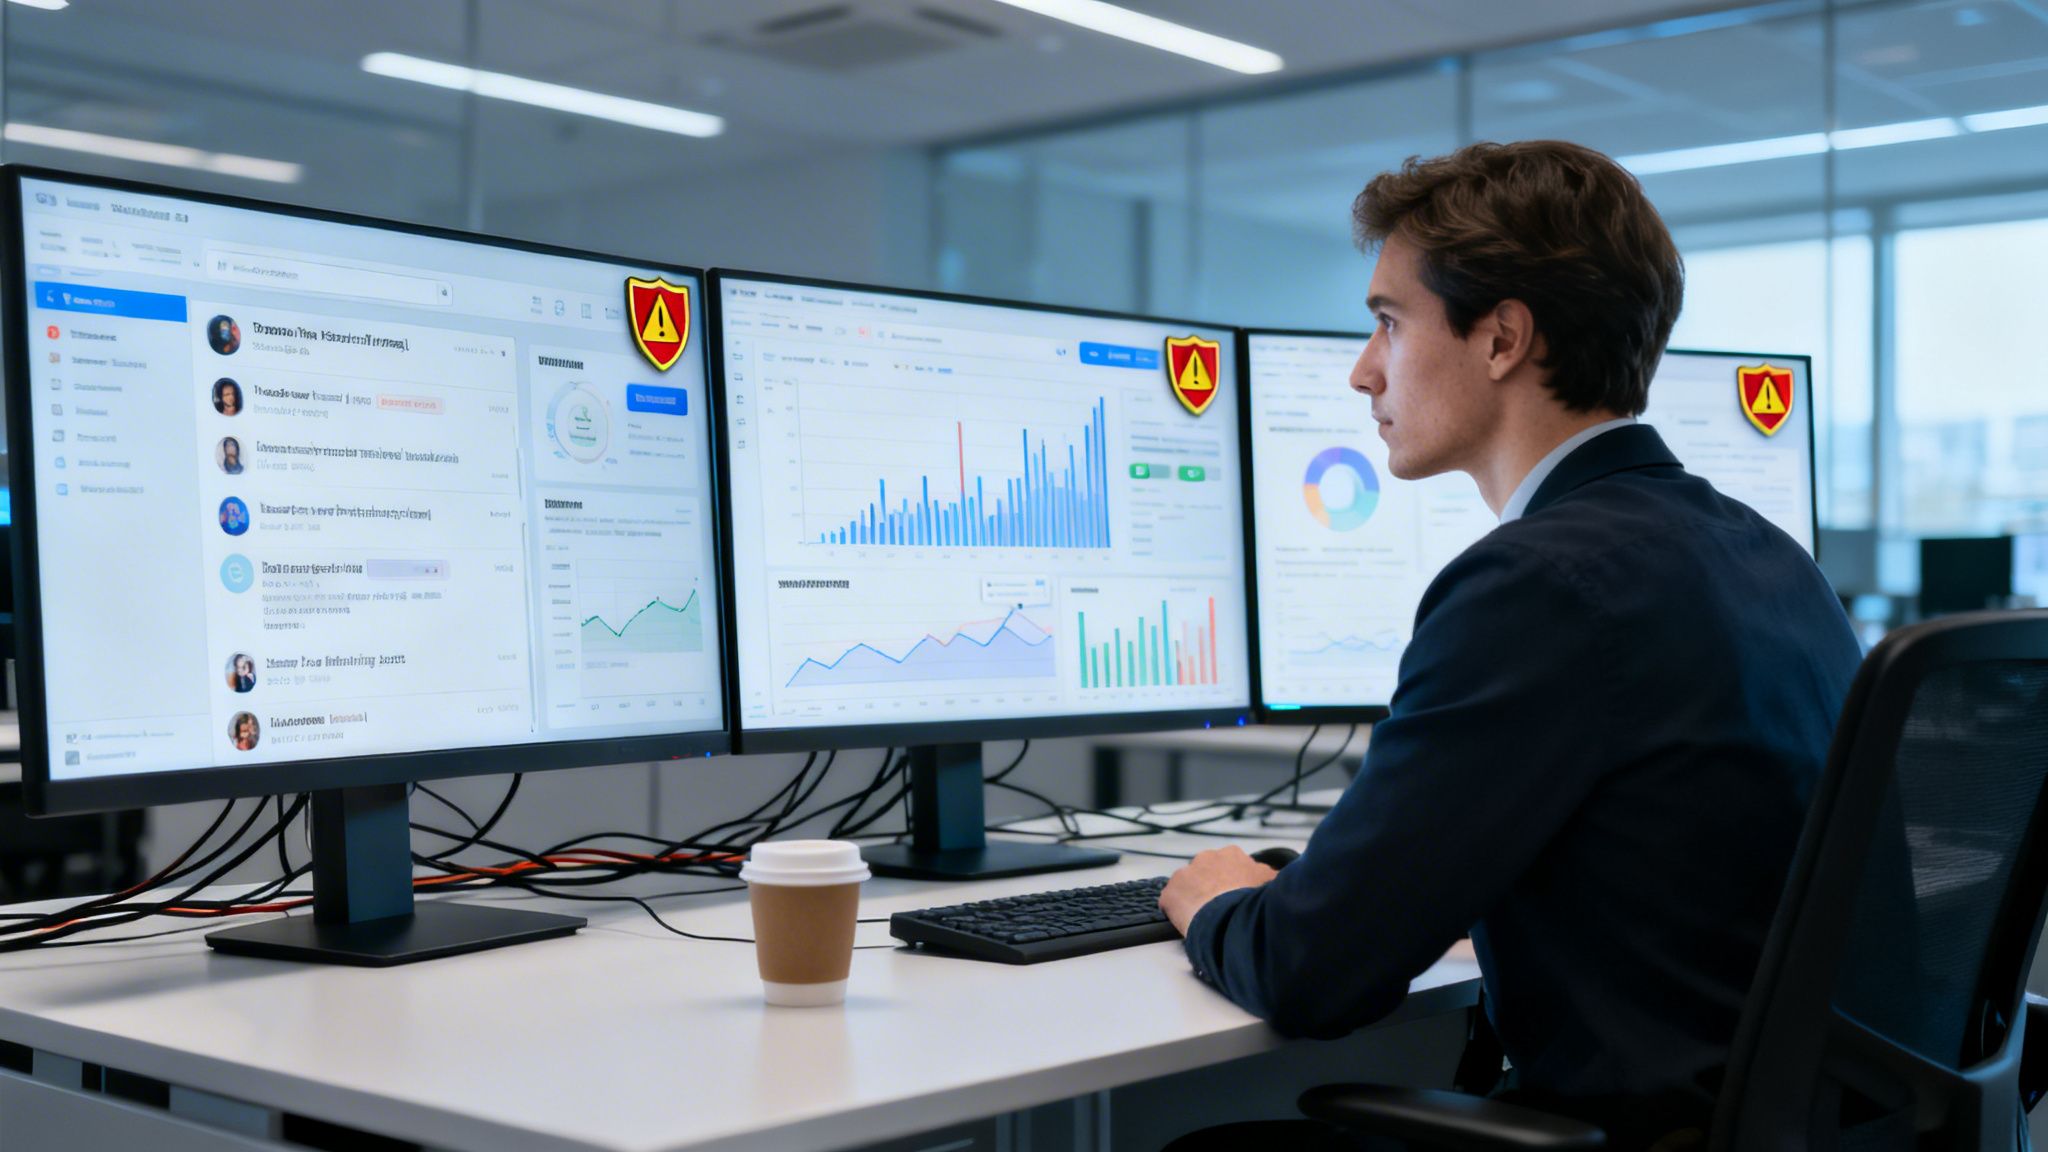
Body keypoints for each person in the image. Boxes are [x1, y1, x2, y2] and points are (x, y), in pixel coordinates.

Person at [1159, 141, 1862, 1148]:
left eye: (1389, 323)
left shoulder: (1536, 585)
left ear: (1500, 340)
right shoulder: (1766, 555)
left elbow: (1308, 973)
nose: (1363, 371)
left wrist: (1220, 903)